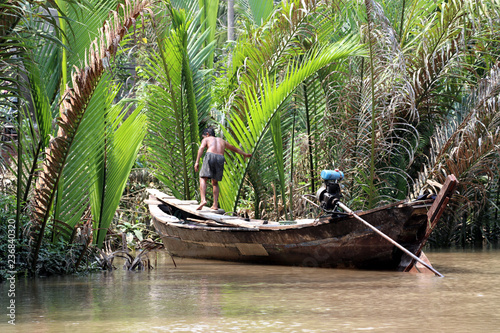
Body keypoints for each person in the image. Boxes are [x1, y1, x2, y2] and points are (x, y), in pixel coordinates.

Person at [194, 127, 251, 210]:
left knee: (203, 178)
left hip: (210, 156)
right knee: (215, 182)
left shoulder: (207, 139)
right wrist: (244, 154)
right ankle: (215, 205)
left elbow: (202, 148)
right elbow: (234, 148)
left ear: (207, 134)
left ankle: (203, 200)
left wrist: (197, 162)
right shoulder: (222, 141)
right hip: (220, 158)